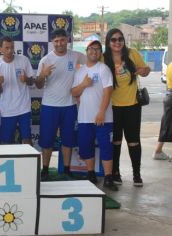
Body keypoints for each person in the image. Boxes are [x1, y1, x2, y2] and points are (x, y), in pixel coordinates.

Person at [35, 28, 86, 181]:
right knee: (47, 140)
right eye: (56, 41)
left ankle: (67, 169)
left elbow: (91, 61)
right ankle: (45, 169)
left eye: (62, 40)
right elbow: (38, 85)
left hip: (69, 106)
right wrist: (43, 75)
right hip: (49, 106)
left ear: (67, 40)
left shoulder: (75, 55)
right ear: (52, 42)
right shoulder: (45, 60)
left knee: (68, 140)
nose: (59, 44)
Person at [103, 28, 150, 187]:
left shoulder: (133, 54)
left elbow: (146, 70)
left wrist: (144, 71)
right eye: (113, 40)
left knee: (133, 141)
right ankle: (115, 172)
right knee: (115, 142)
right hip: (112, 107)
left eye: (120, 39)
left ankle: (136, 174)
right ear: (108, 42)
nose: (117, 42)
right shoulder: (104, 59)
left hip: (132, 106)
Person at [71, 40, 118, 191]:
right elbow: (74, 93)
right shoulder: (80, 72)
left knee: (106, 147)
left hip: (104, 117)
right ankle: (90, 173)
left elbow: (108, 91)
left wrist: (101, 112)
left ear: (100, 52)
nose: (94, 52)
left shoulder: (103, 69)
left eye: (97, 49)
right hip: (84, 118)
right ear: (87, 51)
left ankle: (108, 178)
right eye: (91, 49)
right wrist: (84, 84)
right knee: (86, 146)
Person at [0, 36, 35, 145]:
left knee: (27, 139)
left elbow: (32, 82)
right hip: (8, 109)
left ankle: (28, 162)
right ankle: (8, 162)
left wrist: (27, 79)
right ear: (0, 49)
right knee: (6, 141)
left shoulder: (23, 59)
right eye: (6, 48)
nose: (10, 50)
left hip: (24, 107)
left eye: (12, 47)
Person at [152, 61, 172, 161]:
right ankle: (158, 151)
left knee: (166, 125)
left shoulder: (170, 64)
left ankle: (158, 151)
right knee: (166, 126)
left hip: (169, 97)